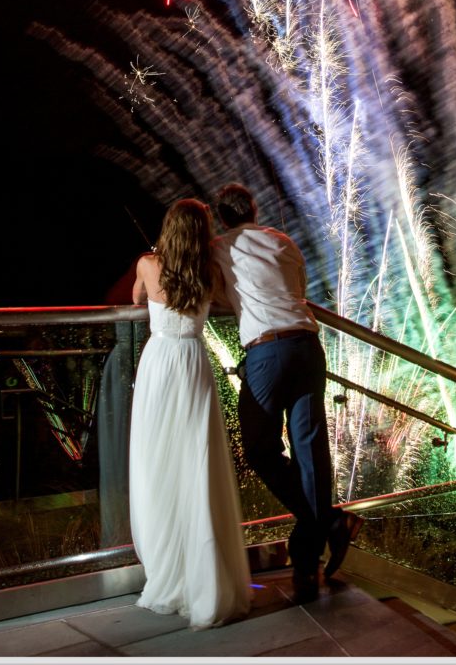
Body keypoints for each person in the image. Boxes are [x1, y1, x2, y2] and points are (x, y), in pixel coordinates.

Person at [211, 183, 363, 602]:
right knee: (310, 450)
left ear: (221, 217)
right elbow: (296, 285)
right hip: (307, 345)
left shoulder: (220, 246)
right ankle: (307, 559)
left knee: (260, 448)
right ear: (254, 209)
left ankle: (329, 521)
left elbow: (210, 290)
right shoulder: (283, 241)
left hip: (267, 351)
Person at [129, 198, 251, 628]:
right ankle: (205, 576)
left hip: (160, 363)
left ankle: (167, 568)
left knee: (156, 462)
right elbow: (219, 302)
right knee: (197, 463)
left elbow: (136, 298)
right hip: (193, 362)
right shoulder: (210, 272)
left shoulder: (147, 264)